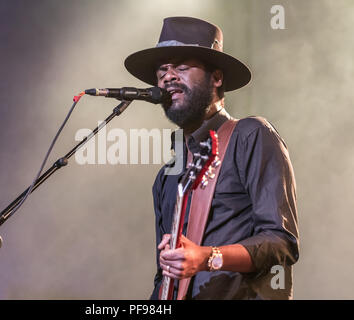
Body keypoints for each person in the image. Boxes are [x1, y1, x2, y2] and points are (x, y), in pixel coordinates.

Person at [124, 17, 299, 299]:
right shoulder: (167, 175)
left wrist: (208, 257)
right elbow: (163, 276)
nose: (168, 76)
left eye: (181, 66)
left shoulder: (250, 135)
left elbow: (281, 242)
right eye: (162, 70)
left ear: (217, 77)